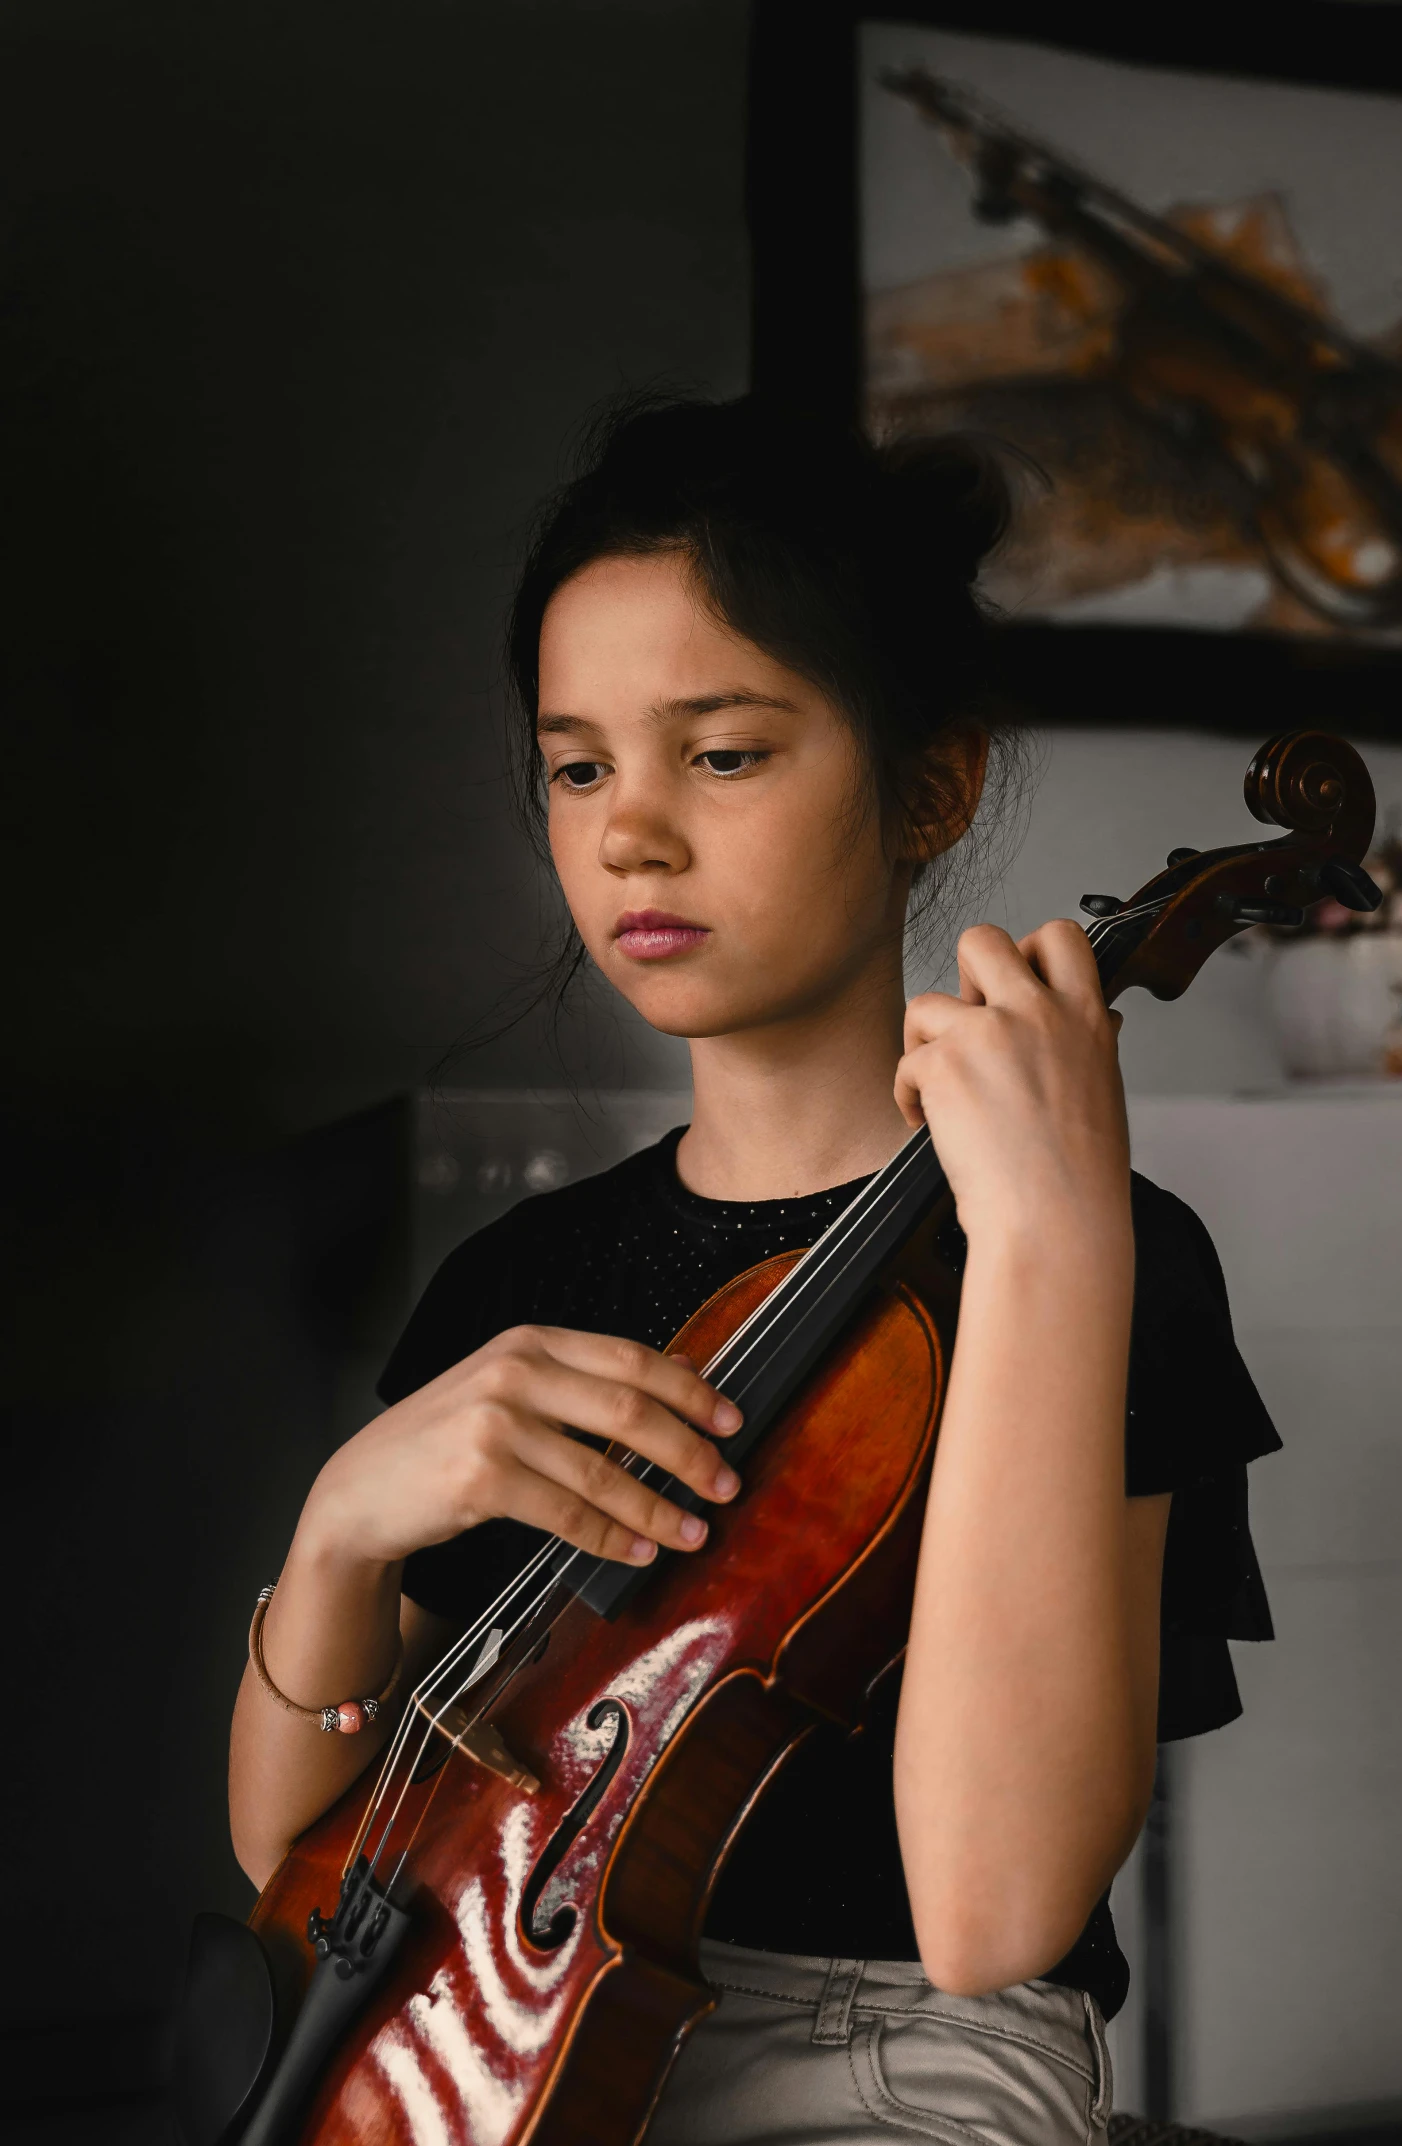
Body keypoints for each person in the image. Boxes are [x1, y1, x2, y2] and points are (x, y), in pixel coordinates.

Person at [227, 394, 1279, 2144]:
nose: (630, 831)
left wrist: (1047, 1240)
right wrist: (339, 1519)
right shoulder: (524, 1275)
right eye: (579, 766)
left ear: (927, 783)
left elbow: (993, 1911)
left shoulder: (1097, 1255)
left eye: (721, 753)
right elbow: (298, 1864)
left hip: (901, 2055)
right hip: (490, 2017)